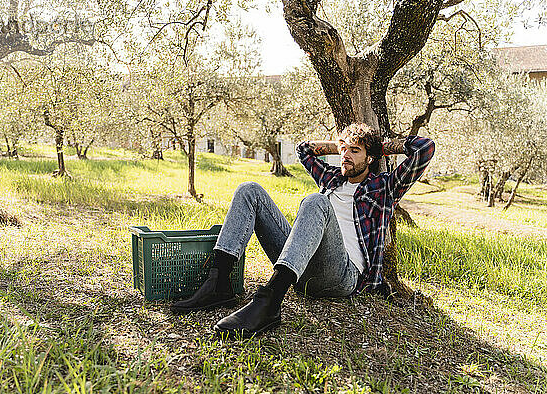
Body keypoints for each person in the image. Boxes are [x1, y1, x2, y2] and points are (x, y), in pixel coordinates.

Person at [171, 123, 435, 338]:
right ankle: (219, 283)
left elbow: (424, 148)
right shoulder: (331, 178)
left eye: (355, 151)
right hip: (303, 267)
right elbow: (303, 150)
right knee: (249, 190)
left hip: (342, 275)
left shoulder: (385, 188)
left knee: (315, 201)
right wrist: (344, 143)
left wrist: (380, 146)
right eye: (344, 149)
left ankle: (270, 301)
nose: (346, 156)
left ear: (371, 157)